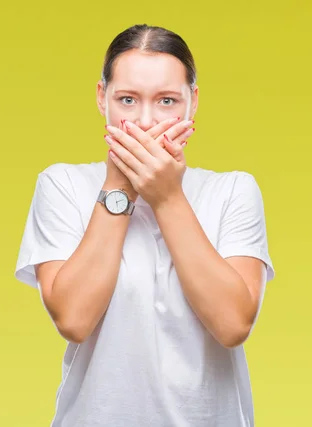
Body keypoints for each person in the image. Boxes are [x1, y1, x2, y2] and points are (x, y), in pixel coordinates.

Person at [14, 23, 275, 427]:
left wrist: (167, 198)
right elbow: (74, 319)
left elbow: (233, 324)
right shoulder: (62, 185)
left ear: (193, 102)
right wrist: (121, 184)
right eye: (128, 100)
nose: (146, 121)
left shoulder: (232, 191)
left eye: (167, 100)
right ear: (103, 99)